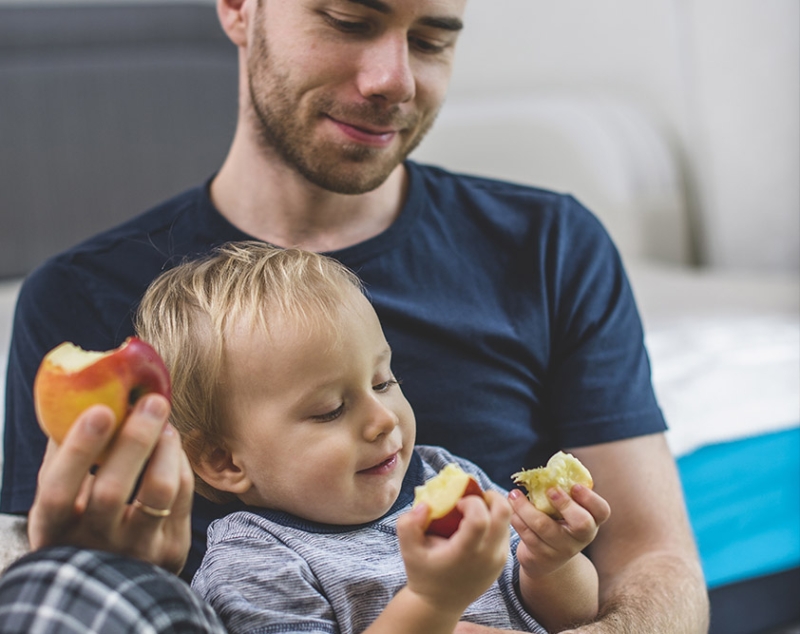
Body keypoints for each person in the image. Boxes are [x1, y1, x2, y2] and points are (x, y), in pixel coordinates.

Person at [1, 0, 709, 632]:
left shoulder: (551, 245)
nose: (391, 79)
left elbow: (653, 562)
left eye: (431, 40)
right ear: (239, 8)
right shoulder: (79, 301)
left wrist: (552, 562)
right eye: (349, 21)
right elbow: (66, 593)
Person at [134, 241, 611, 634]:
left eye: (383, 381)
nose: (383, 419)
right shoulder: (253, 565)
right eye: (330, 410)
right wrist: (431, 603)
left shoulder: (449, 475)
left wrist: (553, 564)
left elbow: (572, 621)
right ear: (224, 460)